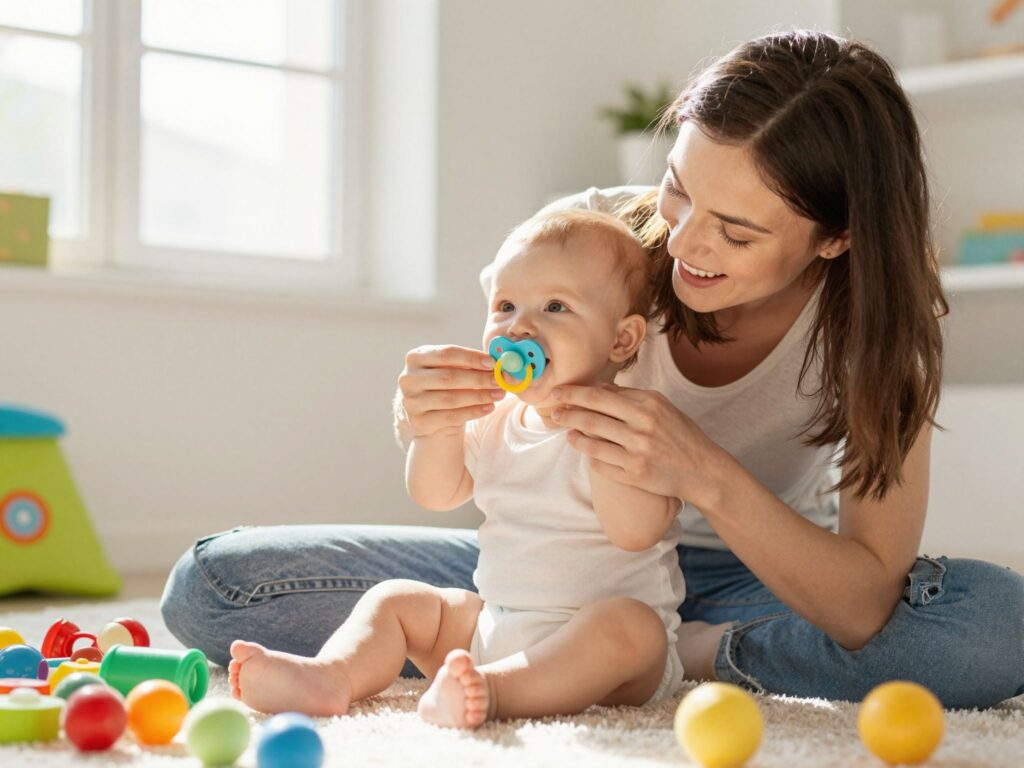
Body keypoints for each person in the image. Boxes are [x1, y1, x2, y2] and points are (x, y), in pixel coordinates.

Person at [161, 29, 1024, 710]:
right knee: (215, 585)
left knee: (990, 630)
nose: (683, 242)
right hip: (547, 563)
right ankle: (574, 652)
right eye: (681, 189)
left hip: (755, 580)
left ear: (835, 238)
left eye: (738, 230)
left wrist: (705, 474)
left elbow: (865, 598)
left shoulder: (879, 332)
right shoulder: (590, 244)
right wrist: (422, 414)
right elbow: (490, 421)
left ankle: (678, 653)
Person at [227, 210, 685, 726]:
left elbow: (636, 531)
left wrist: (599, 440)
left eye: (555, 307)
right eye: (506, 306)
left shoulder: (634, 426)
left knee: (631, 628)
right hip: (494, 626)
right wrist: (437, 430)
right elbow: (435, 493)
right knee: (397, 600)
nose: (520, 326)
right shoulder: (495, 418)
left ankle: (493, 693)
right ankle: (333, 676)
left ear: (621, 341)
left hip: (606, 656)